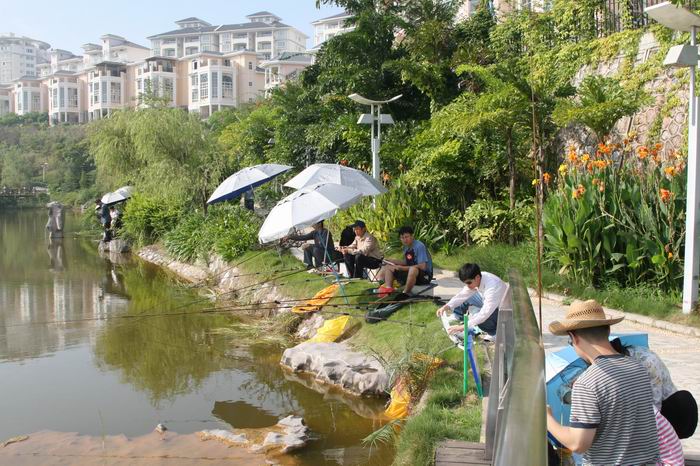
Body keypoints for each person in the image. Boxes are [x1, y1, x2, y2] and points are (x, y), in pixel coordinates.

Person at [546, 300, 660, 466]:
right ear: (608, 330)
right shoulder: (638, 368)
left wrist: (547, 418)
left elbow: (578, 444)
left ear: (574, 338)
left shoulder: (587, 382)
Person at [435, 263, 506, 337]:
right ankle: (457, 317)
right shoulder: (479, 277)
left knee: (479, 319)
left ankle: (494, 333)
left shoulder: (493, 288)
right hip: (490, 302)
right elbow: (462, 295)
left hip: (502, 312)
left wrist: (463, 327)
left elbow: (484, 314)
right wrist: (446, 306)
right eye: (465, 283)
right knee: (467, 296)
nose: (467, 286)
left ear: (477, 277)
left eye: (469, 283)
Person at [377, 226, 433, 295]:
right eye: (402, 238)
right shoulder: (406, 247)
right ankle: (388, 289)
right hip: (411, 273)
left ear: (412, 236)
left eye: (406, 237)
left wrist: (402, 268)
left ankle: (405, 293)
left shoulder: (419, 246)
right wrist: (392, 261)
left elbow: (423, 266)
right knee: (389, 267)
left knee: (413, 269)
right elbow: (407, 262)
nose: (404, 240)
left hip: (425, 276)